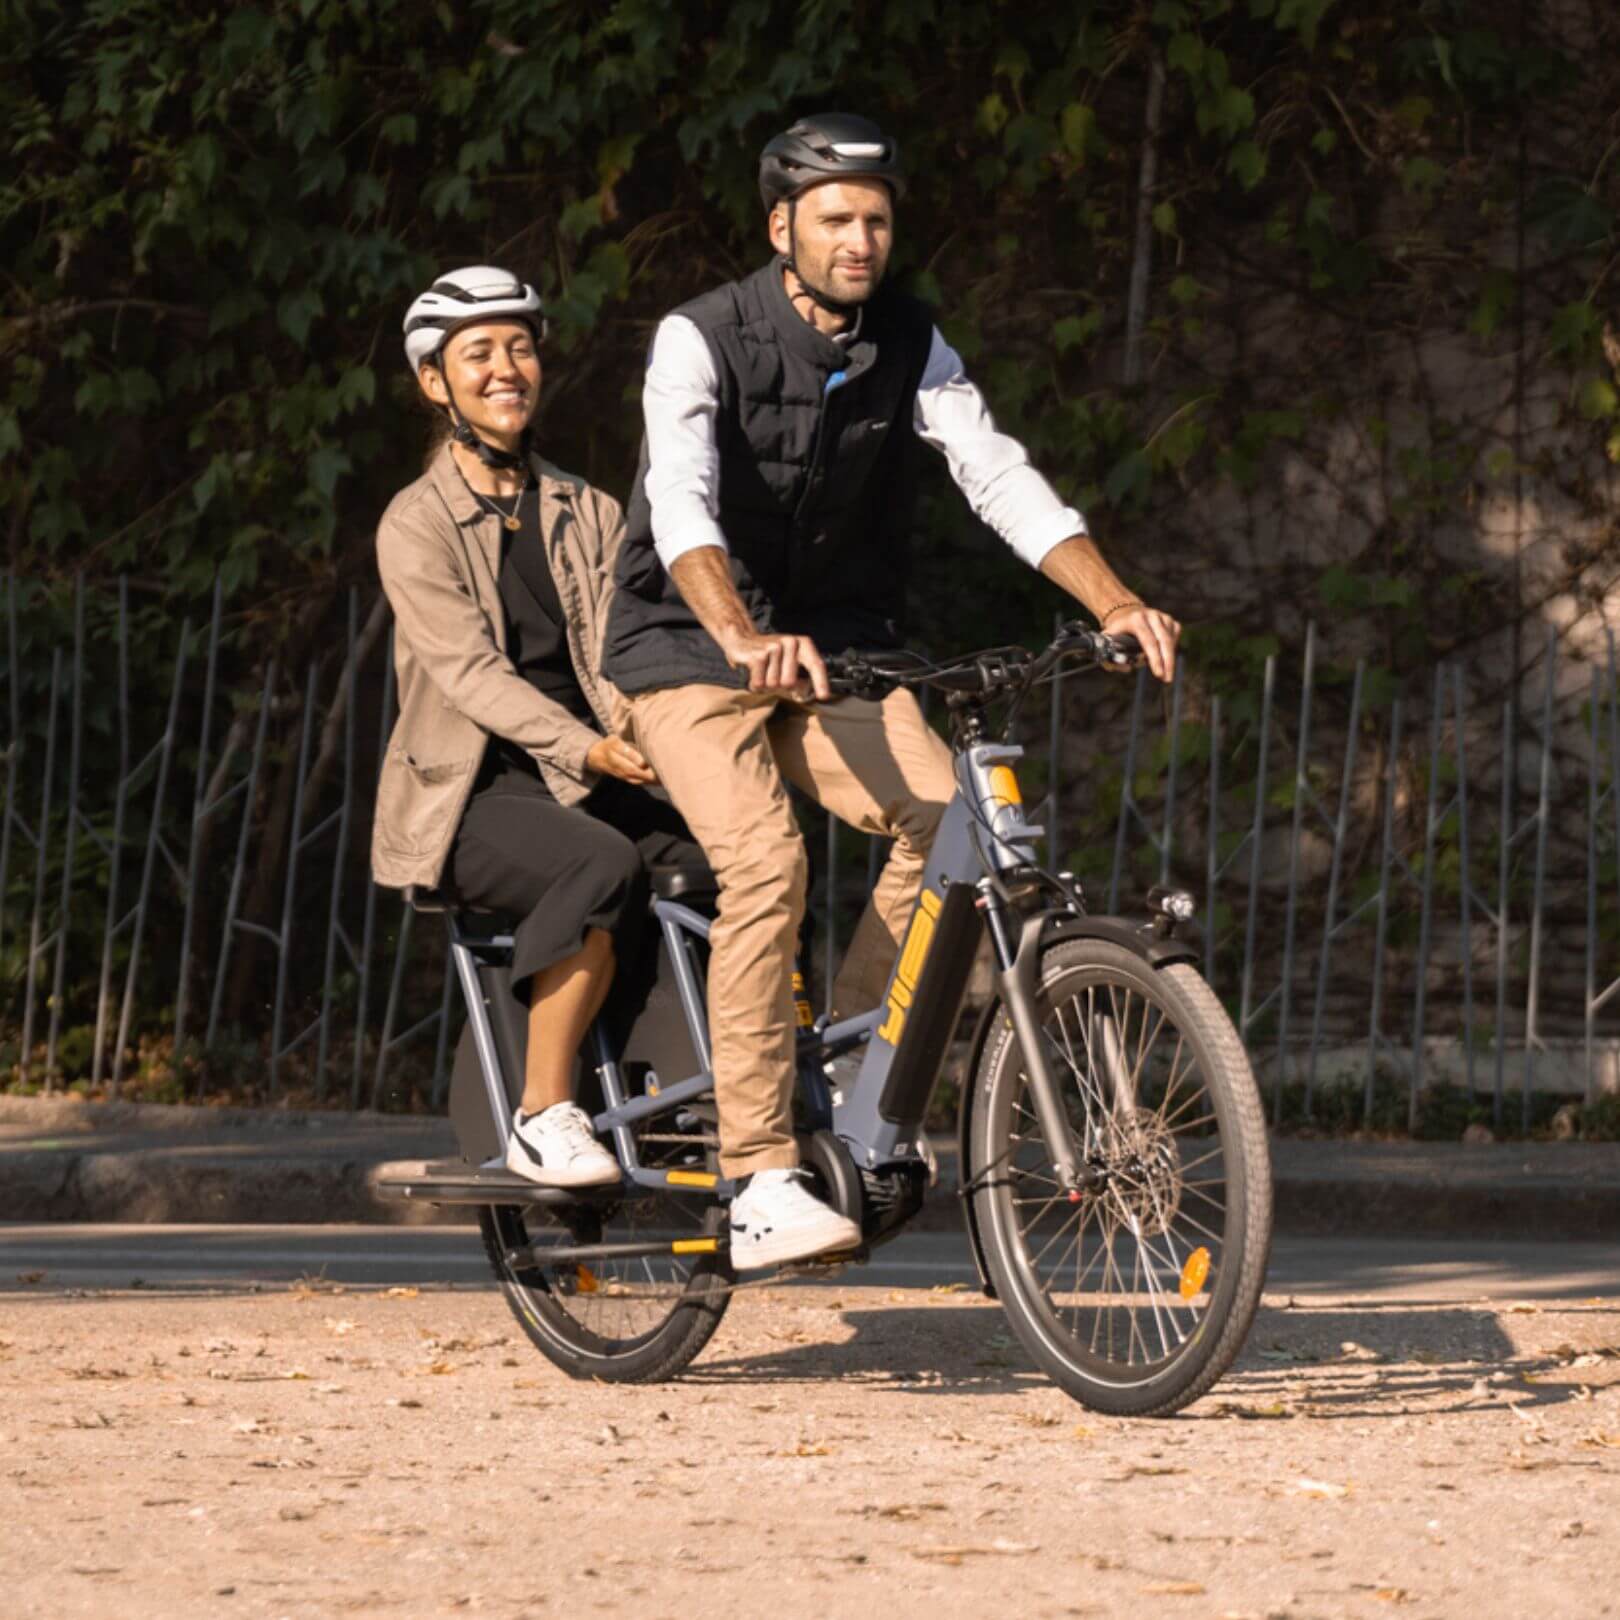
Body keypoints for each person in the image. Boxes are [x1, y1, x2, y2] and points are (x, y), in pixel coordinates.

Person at [601, 113, 1182, 1270]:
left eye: (876, 217)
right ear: (782, 228)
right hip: (689, 650)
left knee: (949, 821)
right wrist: (737, 631)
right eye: (834, 219)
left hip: (837, 654)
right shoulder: (700, 336)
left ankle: (846, 1061)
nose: (860, 238)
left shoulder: (911, 342)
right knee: (767, 863)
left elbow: (995, 472)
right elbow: (681, 500)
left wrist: (1112, 598)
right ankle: (759, 1171)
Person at [372, 265, 694, 1187]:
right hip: (473, 794)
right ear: (436, 382)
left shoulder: (585, 508)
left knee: (742, 849)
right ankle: (544, 1114)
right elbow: (470, 674)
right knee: (599, 862)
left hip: (590, 772)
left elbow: (626, 654)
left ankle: (723, 1082)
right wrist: (585, 745)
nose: (506, 367)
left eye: (520, 347)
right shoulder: (415, 524)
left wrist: (672, 741)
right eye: (478, 353)